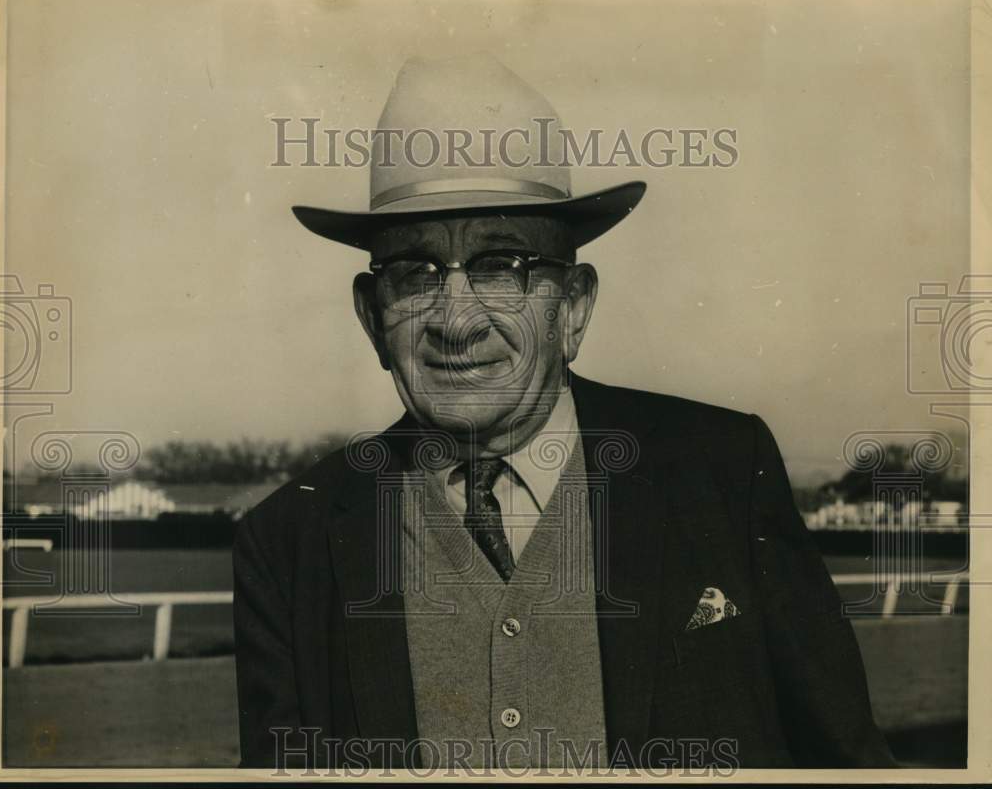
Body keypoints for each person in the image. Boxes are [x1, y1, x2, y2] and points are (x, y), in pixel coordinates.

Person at [233, 53, 895, 772]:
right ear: (372, 317)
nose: (457, 319)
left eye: (501, 266)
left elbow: (847, 762)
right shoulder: (287, 542)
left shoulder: (723, 471)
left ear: (573, 306)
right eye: (415, 273)